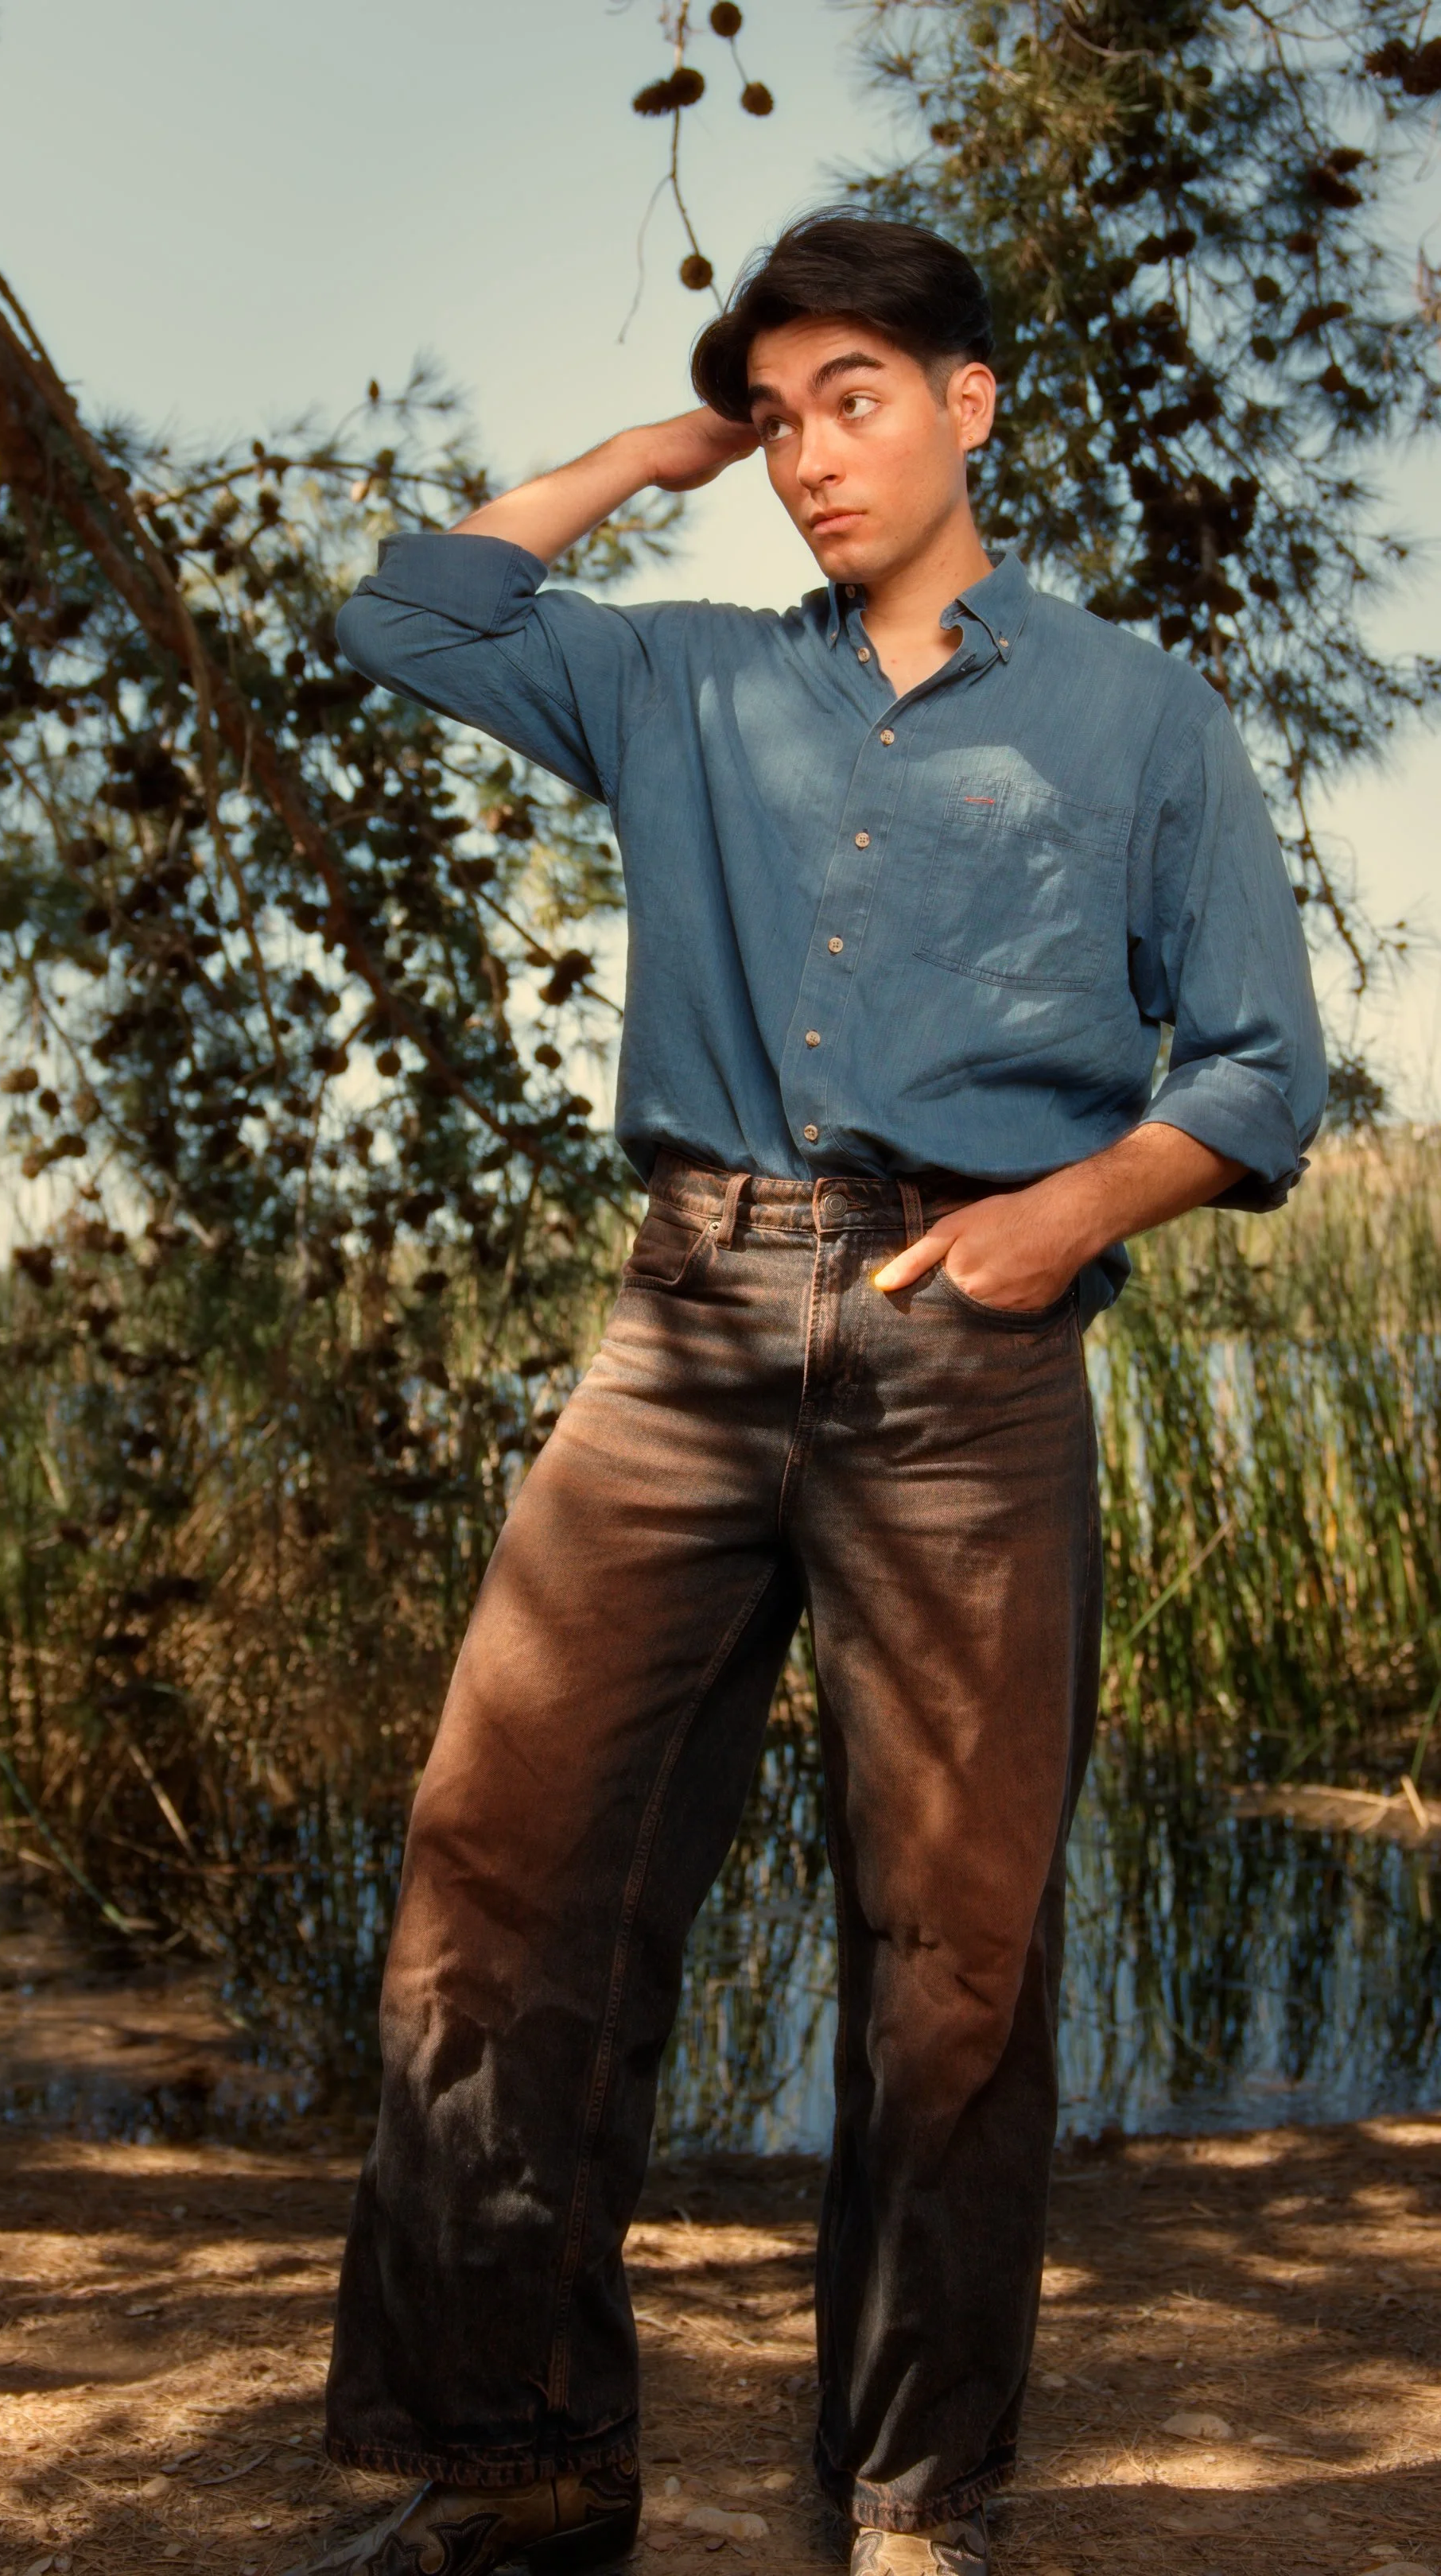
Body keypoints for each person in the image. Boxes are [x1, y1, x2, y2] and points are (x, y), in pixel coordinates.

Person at [303, 211, 1326, 2576]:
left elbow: (1264, 1067)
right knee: (495, 1885)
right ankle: (524, 2466)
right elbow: (412, 608)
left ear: (978, 399)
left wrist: (1081, 1211)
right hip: (682, 1323)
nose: (806, 455)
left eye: (851, 395)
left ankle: (913, 2501)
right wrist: (668, 441)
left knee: (950, 1951)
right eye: (777, 421)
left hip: (969, 1356)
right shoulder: (676, 684)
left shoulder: (1139, 714)